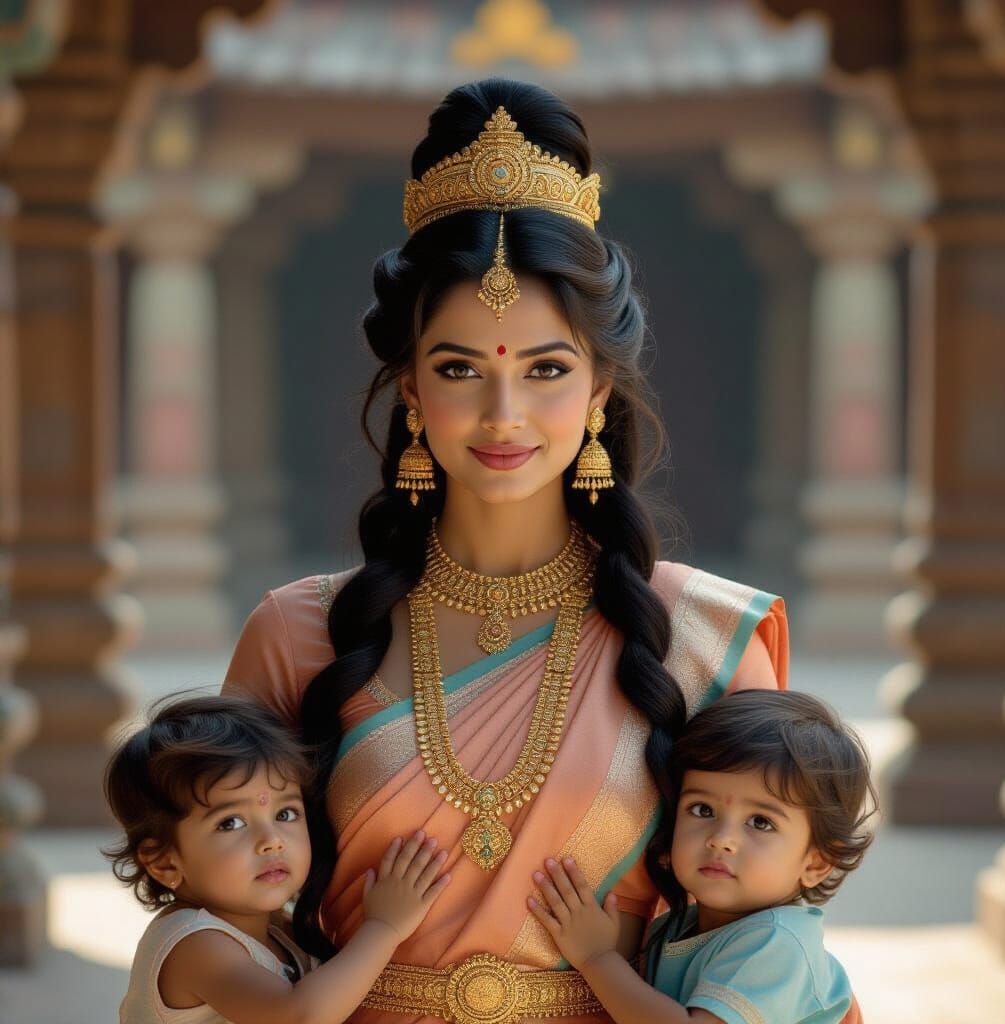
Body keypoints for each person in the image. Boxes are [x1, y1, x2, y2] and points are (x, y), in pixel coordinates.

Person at [223, 77, 789, 1024]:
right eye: (459, 369)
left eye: (546, 369)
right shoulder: (296, 635)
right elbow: (219, 922)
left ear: (600, 390)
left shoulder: (704, 640)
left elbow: (765, 948)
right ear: (410, 388)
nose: (503, 415)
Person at [528, 690, 876, 1024]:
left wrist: (597, 958)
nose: (721, 840)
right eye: (702, 810)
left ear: (815, 863)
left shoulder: (778, 942)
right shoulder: (673, 928)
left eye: (760, 822)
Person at [105, 694, 450, 1024]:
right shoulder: (194, 944)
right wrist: (384, 928)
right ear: (164, 863)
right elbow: (300, 1016)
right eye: (231, 823)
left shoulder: (277, 931)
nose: (271, 841)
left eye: (285, 814)